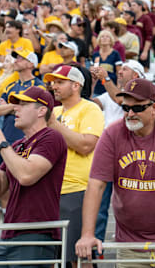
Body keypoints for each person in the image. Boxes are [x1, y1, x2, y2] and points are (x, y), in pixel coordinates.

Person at [75, 79, 155, 266]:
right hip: (129, 243)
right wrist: (87, 234)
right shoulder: (112, 134)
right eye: (125, 108)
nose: (130, 114)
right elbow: (96, 184)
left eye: (137, 108)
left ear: (154, 108)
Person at [0, 86, 67, 267]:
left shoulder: (52, 137)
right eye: (15, 104)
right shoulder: (19, 145)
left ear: (41, 111)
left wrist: (3, 144)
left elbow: (27, 175)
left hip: (36, 232)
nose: (15, 109)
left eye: (22, 104)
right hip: (11, 232)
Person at [44, 65, 105, 267]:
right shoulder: (54, 111)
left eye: (60, 82)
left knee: (79, 256)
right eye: (53, 82)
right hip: (51, 190)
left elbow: (86, 145)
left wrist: (54, 124)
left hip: (78, 189)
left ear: (76, 85)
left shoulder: (90, 108)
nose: (54, 86)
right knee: (51, 256)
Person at [0, 49, 44, 145]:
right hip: (6, 138)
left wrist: (8, 106)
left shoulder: (38, 86)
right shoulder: (10, 86)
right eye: (16, 58)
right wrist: (19, 104)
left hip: (26, 140)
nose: (15, 61)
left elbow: (32, 112)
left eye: (21, 59)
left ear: (31, 64)